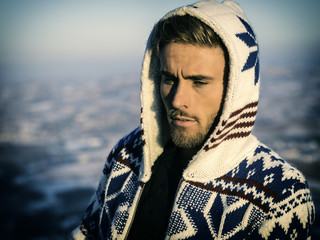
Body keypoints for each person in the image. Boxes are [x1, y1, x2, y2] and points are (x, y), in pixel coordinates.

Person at [72, 0, 315, 239]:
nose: (177, 100)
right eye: (169, 79)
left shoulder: (280, 195)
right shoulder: (126, 154)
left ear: (235, 89)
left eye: (199, 82)